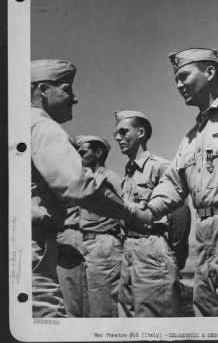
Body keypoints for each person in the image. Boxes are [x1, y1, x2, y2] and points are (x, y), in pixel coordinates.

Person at [133, 48, 218, 316]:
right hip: (204, 236)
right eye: (176, 79)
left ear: (209, 72)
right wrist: (142, 211)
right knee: (206, 320)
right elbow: (172, 185)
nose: (178, 85)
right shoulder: (189, 138)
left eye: (183, 76)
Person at [31, 59, 141, 317]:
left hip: (91, 245)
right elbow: (81, 187)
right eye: (67, 89)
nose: (75, 98)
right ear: (44, 89)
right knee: (46, 317)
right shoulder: (42, 126)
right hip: (36, 241)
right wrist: (130, 213)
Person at [114, 110, 191, 317]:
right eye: (116, 134)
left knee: (154, 319)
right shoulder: (128, 172)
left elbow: (181, 212)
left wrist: (173, 253)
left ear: (140, 132)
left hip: (153, 248)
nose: (117, 138)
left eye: (123, 132)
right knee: (128, 320)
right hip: (129, 250)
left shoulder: (160, 166)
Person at [74, 135, 123, 317]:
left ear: (99, 153)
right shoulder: (87, 180)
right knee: (90, 309)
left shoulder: (110, 178)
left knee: (104, 310)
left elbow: (127, 209)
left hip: (104, 245)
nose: (79, 157)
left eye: (83, 152)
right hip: (87, 245)